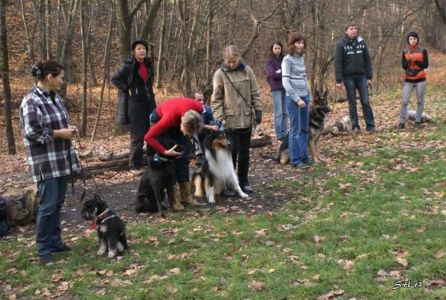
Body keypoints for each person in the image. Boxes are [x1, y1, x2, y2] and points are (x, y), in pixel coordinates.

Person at [19, 60, 79, 265]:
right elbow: (31, 133)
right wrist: (60, 133)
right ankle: (43, 248)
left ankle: (55, 242)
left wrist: (68, 129)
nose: (63, 80)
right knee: (48, 204)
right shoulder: (31, 101)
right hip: (45, 161)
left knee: (58, 203)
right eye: (61, 76)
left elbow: (56, 124)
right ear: (50, 77)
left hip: (61, 159)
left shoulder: (55, 98)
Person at [211, 45, 262, 194]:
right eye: (229, 61)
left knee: (245, 152)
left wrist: (258, 110)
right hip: (230, 120)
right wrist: (219, 117)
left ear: (239, 58)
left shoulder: (248, 71)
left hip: (246, 118)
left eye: (234, 61)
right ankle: (228, 183)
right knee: (231, 152)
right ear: (225, 60)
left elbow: (255, 92)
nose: (232, 64)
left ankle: (243, 181)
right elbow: (216, 99)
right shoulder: (220, 74)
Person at [144, 98, 203, 209]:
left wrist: (187, 135)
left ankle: (186, 196)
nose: (186, 134)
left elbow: (193, 126)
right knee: (171, 161)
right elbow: (148, 137)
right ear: (181, 123)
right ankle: (174, 200)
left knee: (183, 158)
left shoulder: (199, 109)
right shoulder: (168, 119)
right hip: (161, 117)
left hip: (179, 116)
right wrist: (165, 151)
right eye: (186, 131)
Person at [112, 39, 156, 173]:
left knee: (153, 132)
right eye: (139, 49)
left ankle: (152, 162)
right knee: (138, 134)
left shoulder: (148, 64)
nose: (142, 51)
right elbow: (115, 78)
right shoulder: (128, 65)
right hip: (135, 103)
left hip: (149, 102)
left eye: (144, 48)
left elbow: (149, 81)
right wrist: (127, 88)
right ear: (134, 51)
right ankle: (134, 166)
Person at [334, 22, 376, 133]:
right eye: (351, 29)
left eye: (355, 29)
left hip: (362, 76)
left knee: (366, 101)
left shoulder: (362, 43)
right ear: (346, 31)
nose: (354, 31)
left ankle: (371, 126)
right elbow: (338, 63)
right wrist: (338, 80)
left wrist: (369, 77)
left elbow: (368, 61)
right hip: (348, 77)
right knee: (352, 102)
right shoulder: (341, 45)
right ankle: (355, 126)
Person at [282, 32, 312, 168]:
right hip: (293, 99)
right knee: (295, 129)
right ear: (292, 44)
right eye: (298, 42)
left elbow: (304, 77)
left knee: (305, 128)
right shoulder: (287, 60)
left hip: (305, 96)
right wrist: (296, 98)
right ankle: (295, 160)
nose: (300, 45)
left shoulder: (301, 58)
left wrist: (308, 94)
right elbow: (285, 82)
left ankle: (304, 155)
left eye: (302, 42)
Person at [398, 32, 429, 130]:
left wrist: (416, 61)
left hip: (420, 79)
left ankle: (418, 121)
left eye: (415, 39)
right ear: (408, 40)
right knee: (404, 101)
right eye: (411, 39)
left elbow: (426, 65)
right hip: (408, 79)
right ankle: (402, 122)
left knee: (420, 100)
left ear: (417, 40)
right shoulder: (405, 51)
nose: (413, 41)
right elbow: (403, 66)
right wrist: (408, 62)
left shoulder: (423, 50)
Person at [266, 41, 288, 141]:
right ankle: (279, 134)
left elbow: (288, 71)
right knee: (278, 112)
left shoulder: (285, 59)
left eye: (279, 48)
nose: (277, 50)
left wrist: (279, 71)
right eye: (275, 48)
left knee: (285, 112)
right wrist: (279, 72)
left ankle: (285, 132)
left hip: (286, 87)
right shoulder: (270, 61)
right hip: (275, 88)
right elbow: (272, 74)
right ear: (272, 49)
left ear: (281, 48)